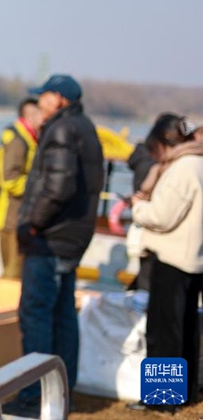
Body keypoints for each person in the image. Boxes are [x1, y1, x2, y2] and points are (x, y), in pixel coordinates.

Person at [4, 74, 104, 416]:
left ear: (59, 98)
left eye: (43, 97)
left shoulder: (62, 129)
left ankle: (33, 397)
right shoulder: (84, 127)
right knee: (62, 317)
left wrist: (33, 223)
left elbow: (58, 187)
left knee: (36, 316)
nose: (38, 104)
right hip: (72, 237)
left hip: (51, 238)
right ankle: (61, 393)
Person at [128, 114, 203, 409]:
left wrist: (138, 208)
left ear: (165, 142)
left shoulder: (181, 169)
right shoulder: (198, 164)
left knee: (162, 331)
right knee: (185, 329)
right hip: (193, 259)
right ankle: (185, 392)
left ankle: (161, 398)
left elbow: (161, 216)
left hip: (171, 259)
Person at [0, 98, 42, 279]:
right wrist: (39, 185)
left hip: (18, 216)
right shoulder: (18, 140)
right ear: (31, 115)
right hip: (12, 217)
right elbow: (9, 180)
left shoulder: (29, 138)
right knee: (13, 273)